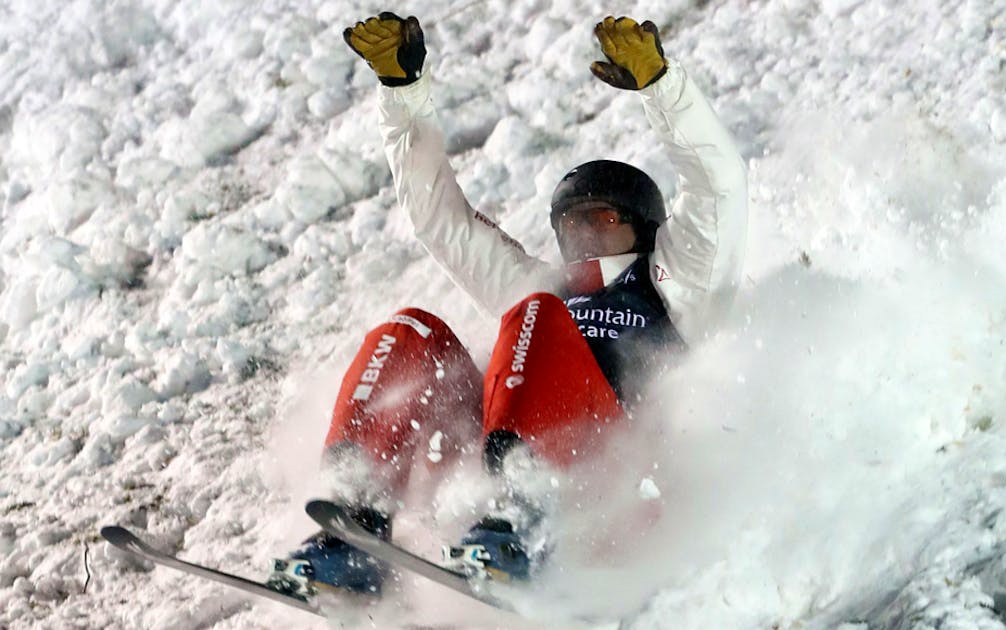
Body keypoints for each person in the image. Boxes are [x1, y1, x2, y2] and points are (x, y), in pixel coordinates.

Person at [267, 12, 748, 599]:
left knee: (535, 313)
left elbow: (721, 182)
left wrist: (662, 86)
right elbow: (438, 219)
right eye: (573, 223)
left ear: (643, 227)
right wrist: (403, 96)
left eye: (604, 218)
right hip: (499, 490)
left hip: (623, 489)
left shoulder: (676, 284)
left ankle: (527, 520)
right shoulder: (544, 287)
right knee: (411, 331)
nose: (587, 233)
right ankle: (357, 526)